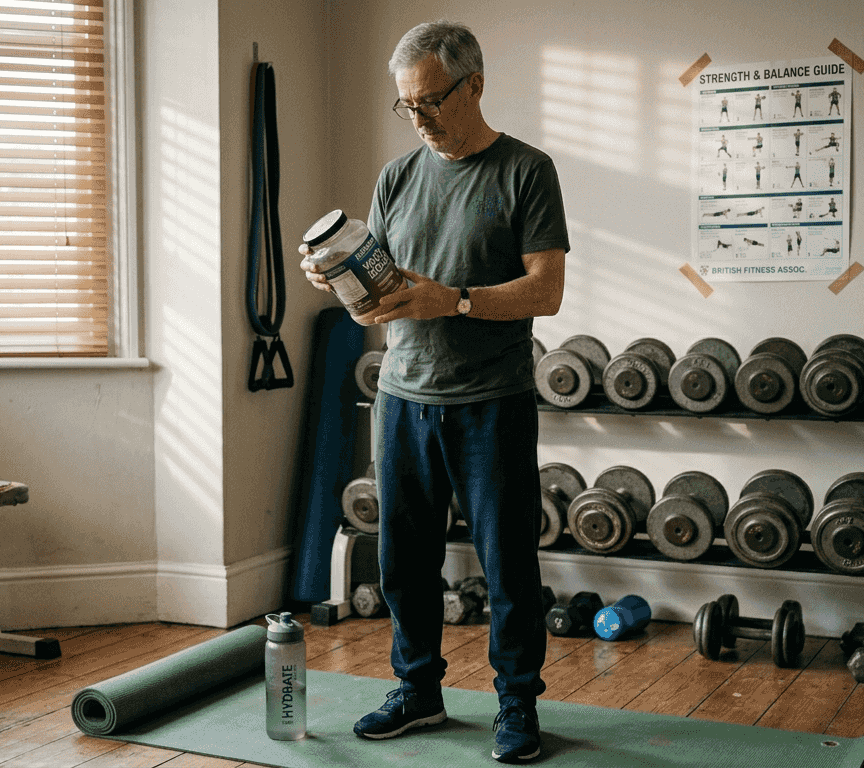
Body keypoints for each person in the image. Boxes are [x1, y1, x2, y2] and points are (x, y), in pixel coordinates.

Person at [299, 20, 567, 765]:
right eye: (405, 106)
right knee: (403, 560)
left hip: (491, 398)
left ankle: (517, 704)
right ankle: (418, 690)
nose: (417, 117)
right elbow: (382, 290)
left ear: (473, 84)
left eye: (429, 101)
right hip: (403, 396)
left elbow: (546, 291)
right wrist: (336, 274)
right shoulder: (397, 177)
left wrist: (455, 301)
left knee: (508, 563)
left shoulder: (526, 171)